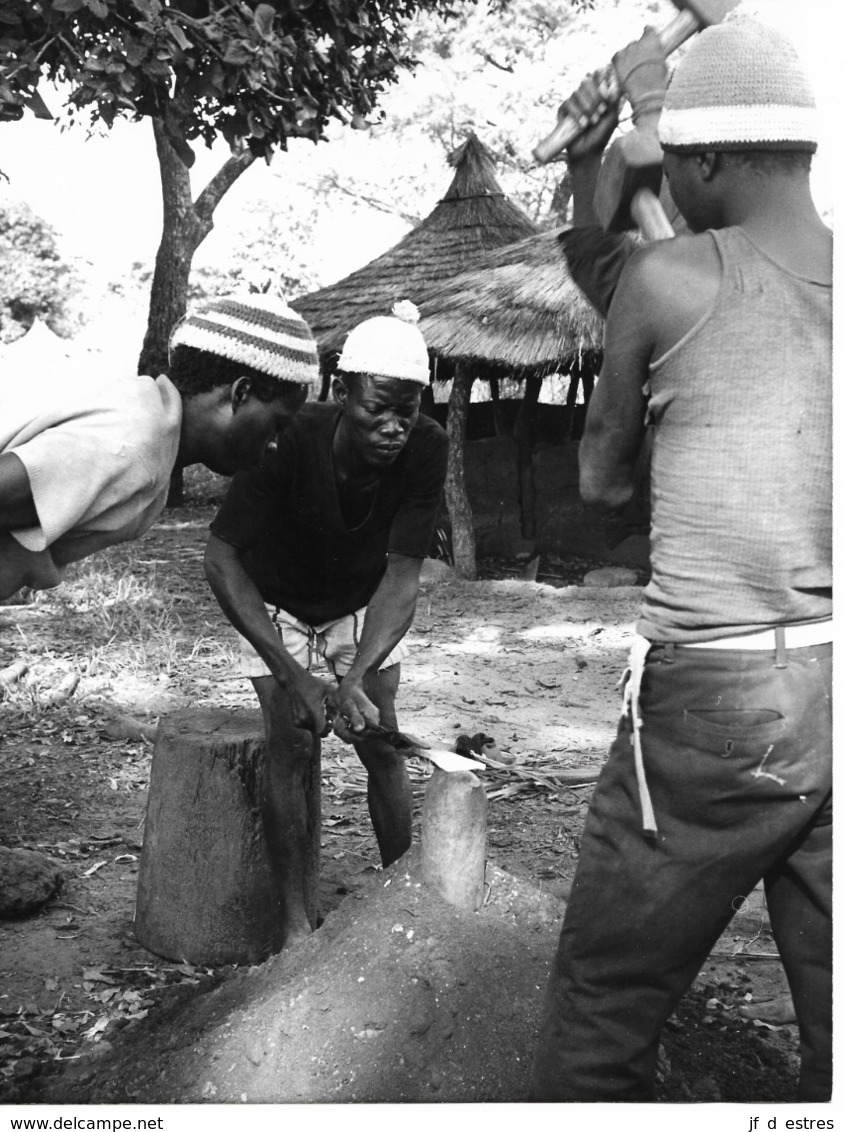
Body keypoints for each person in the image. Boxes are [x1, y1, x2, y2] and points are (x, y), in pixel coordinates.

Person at [531, 16, 832, 1103]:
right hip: (829, 685)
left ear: (699, 161)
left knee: (602, 1013)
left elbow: (600, 486)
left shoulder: (667, 280)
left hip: (715, 700)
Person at [204, 301, 448, 943]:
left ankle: (405, 906)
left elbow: (402, 576)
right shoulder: (287, 438)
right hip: (274, 603)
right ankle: (295, 926)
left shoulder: (428, 447)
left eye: (408, 410)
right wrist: (291, 674)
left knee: (380, 742)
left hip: (359, 603)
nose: (395, 427)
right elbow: (223, 559)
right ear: (342, 393)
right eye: (377, 410)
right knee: (291, 748)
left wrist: (356, 676)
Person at [0, 295, 320, 601]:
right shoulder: (133, 444)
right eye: (277, 424)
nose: (275, 443)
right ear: (240, 394)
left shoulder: (150, 432)